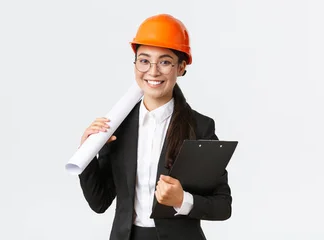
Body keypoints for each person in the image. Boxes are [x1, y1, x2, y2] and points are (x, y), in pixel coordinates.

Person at [77, 14, 232, 240]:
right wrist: (87, 152)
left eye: (165, 61)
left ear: (181, 67)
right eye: (144, 60)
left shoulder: (200, 127)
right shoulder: (117, 126)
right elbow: (99, 203)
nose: (152, 71)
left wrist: (182, 200)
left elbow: (222, 205)